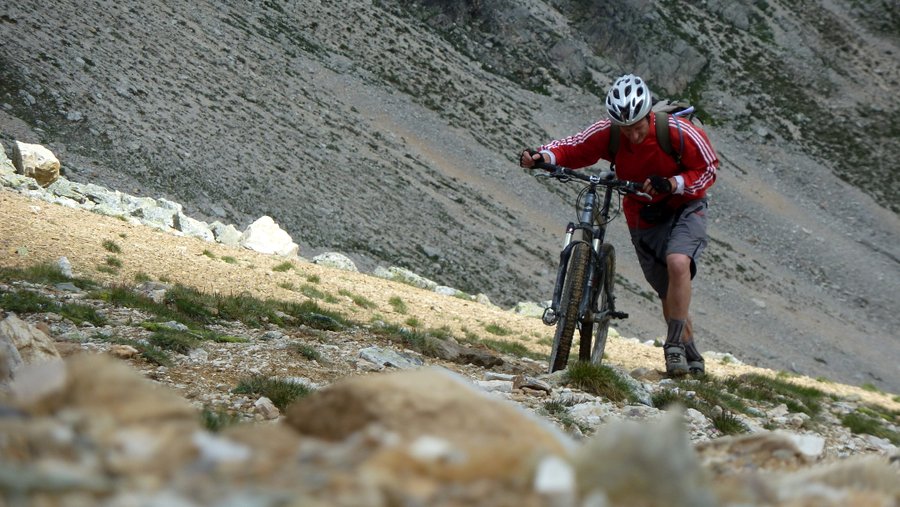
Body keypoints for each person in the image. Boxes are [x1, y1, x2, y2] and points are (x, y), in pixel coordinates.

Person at [519, 74, 718, 376]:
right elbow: (574, 148)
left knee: (678, 263)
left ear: (648, 115)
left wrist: (673, 183)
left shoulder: (678, 132)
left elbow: (708, 169)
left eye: (637, 127)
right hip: (642, 213)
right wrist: (541, 155)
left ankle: (673, 347)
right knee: (667, 290)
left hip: (684, 207)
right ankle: (691, 357)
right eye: (625, 130)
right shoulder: (609, 133)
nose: (633, 136)